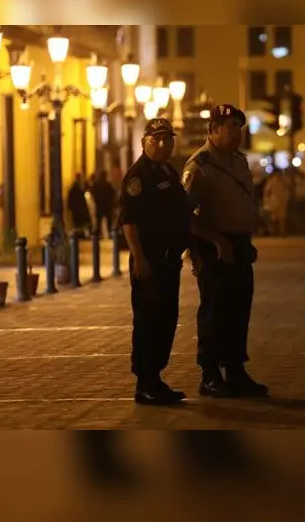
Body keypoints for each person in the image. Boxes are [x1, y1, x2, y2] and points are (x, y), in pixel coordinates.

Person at [183, 104, 269, 398]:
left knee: (239, 309)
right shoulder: (200, 166)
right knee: (214, 311)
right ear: (213, 129)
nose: (237, 133)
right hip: (214, 248)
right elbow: (185, 214)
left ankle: (235, 370)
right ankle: (209, 374)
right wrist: (217, 240)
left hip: (239, 245)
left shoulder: (239, 161)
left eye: (239, 127)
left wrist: (246, 240)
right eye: (231, 127)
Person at [117, 118, 190, 406]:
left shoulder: (169, 171)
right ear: (144, 143)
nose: (162, 144)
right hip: (150, 259)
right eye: (155, 139)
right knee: (148, 320)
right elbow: (129, 221)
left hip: (169, 259)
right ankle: (145, 381)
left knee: (166, 318)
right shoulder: (139, 176)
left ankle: (156, 378)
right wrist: (138, 257)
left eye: (167, 139)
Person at [262, 170, 290, 237]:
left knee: (281, 218)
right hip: (275, 201)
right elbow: (267, 191)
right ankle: (276, 232)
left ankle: (281, 232)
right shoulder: (272, 181)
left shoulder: (283, 181)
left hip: (281, 201)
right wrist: (268, 200)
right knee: (275, 218)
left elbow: (288, 190)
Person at [90, 171, 117, 239]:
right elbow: (112, 193)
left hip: (101, 206)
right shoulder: (106, 184)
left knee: (100, 221)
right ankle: (108, 234)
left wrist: (96, 200)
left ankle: (98, 235)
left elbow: (93, 192)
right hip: (105, 206)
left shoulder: (99, 185)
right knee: (106, 221)